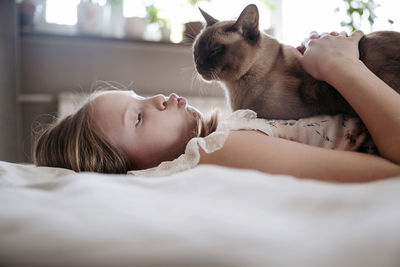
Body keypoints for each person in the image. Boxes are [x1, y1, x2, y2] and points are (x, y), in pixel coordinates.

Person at [34, 30, 400, 182]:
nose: (160, 98)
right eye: (139, 117)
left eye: (140, 96)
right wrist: (342, 67)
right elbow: (389, 171)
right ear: (127, 168)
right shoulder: (216, 149)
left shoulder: (226, 135)